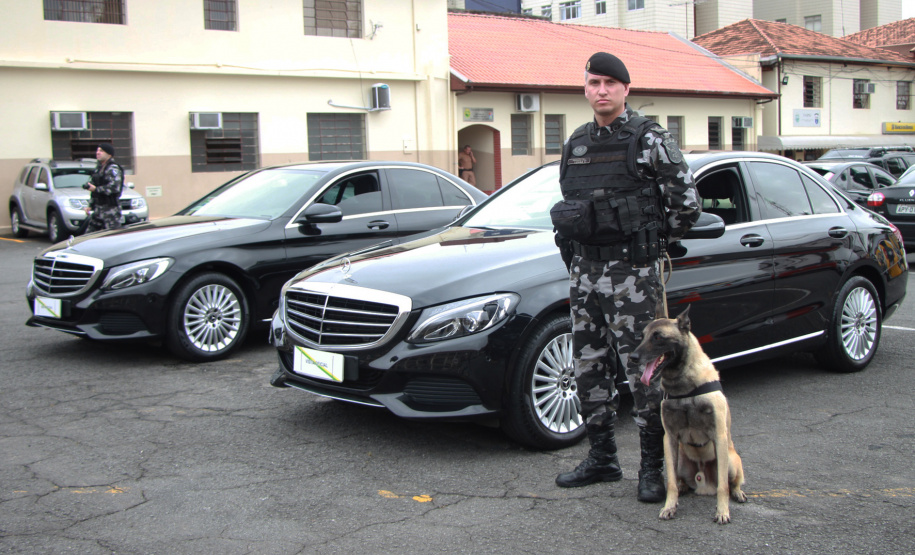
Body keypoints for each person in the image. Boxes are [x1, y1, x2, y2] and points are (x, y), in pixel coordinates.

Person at [551, 52, 700, 502]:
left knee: (644, 371)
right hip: (584, 273)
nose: (601, 90)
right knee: (589, 366)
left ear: (625, 89)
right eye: (594, 82)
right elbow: (574, 208)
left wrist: (652, 244)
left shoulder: (649, 139)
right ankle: (602, 459)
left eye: (610, 83)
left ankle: (652, 469)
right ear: (585, 87)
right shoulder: (576, 142)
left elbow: (687, 205)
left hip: (633, 275)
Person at [84, 142, 123, 233]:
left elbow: (114, 188)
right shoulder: (98, 168)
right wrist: (90, 205)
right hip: (98, 209)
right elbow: (94, 188)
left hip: (110, 210)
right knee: (89, 236)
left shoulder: (113, 168)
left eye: (101, 151)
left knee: (113, 236)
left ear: (109, 154)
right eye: (97, 151)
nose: (98, 153)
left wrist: (96, 189)